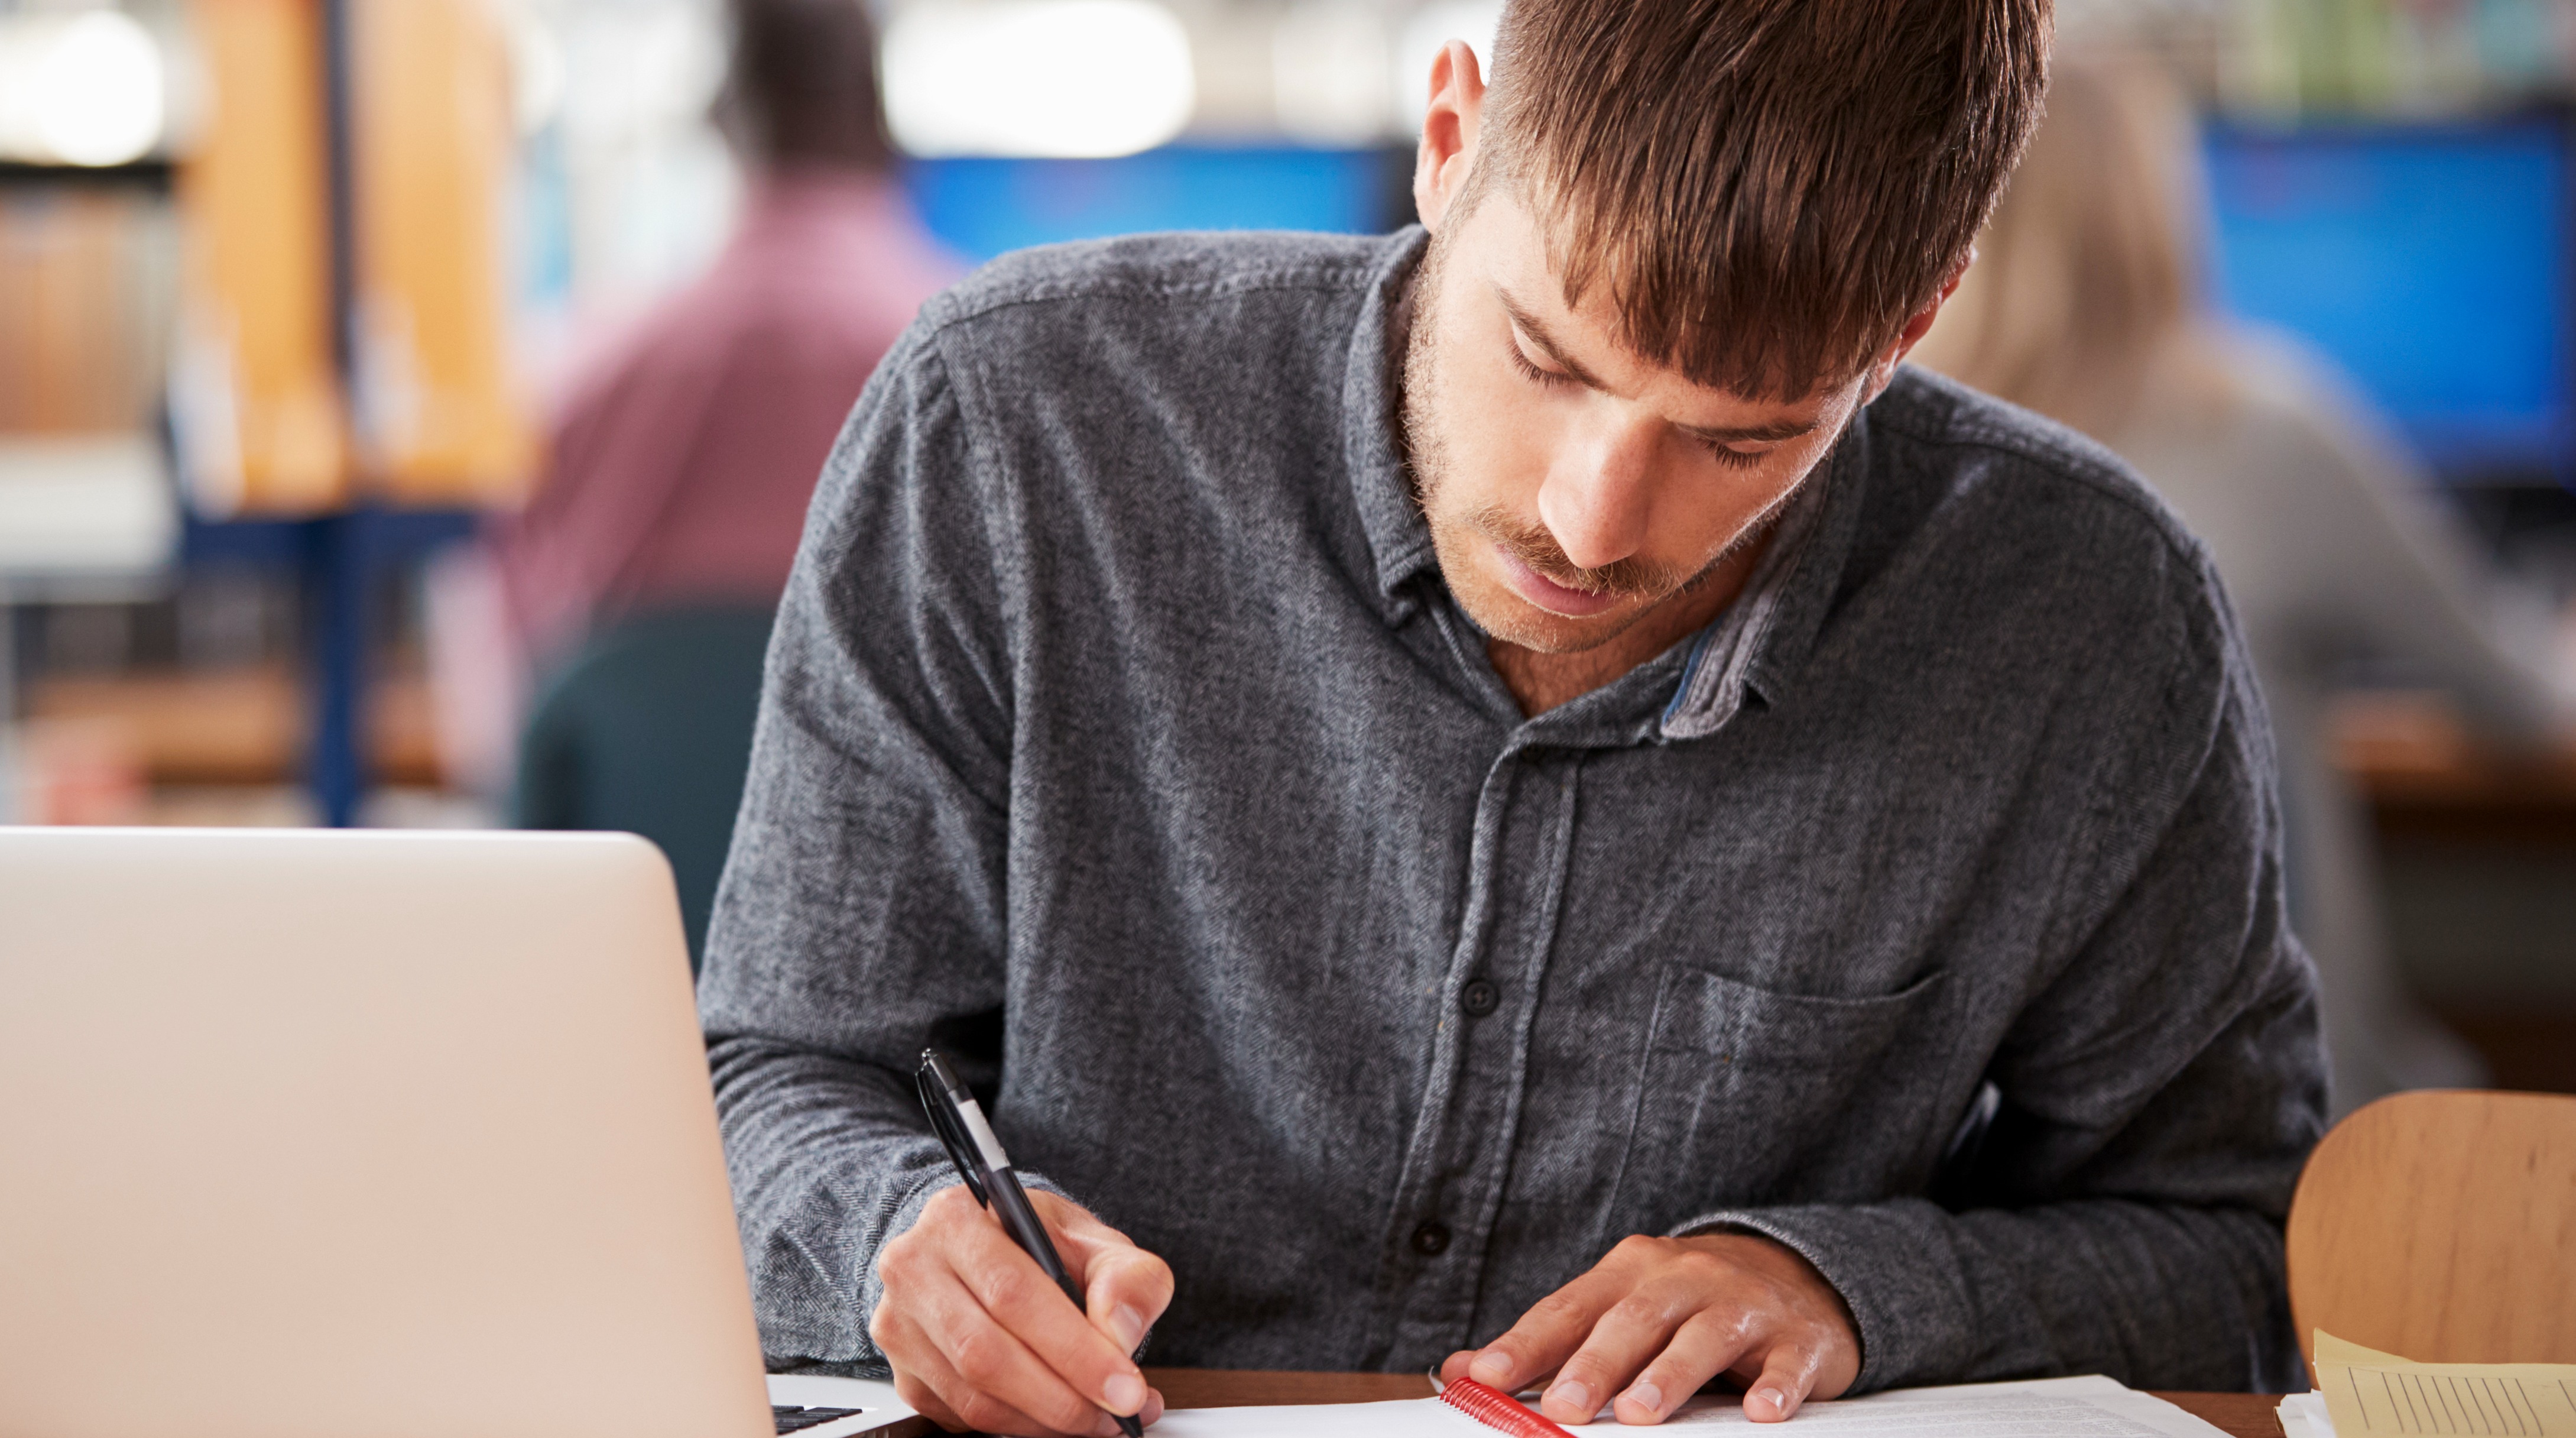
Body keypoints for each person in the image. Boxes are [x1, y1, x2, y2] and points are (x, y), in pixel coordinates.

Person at [702, 2, 2327, 1434]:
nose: (1591, 521)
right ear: (1446, 140)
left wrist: (1853, 1286)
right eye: (1543, 357)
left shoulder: (2088, 624)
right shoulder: (1013, 424)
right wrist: (893, 1236)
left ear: (1906, 328)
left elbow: (2223, 1250)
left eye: (1738, 442)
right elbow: (772, 1073)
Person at [1912, 54, 2570, 1113]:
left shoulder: (1875, 461)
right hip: (2286, 1130)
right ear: (2157, 211)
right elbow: (2524, 703)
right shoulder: (2266, 432)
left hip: (1981, 1137)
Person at [426, 0, 956, 792]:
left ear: (719, 120)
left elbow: (493, 728)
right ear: (884, 127)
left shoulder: (573, 378)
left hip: (627, 886)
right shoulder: (991, 375)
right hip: (913, 899)